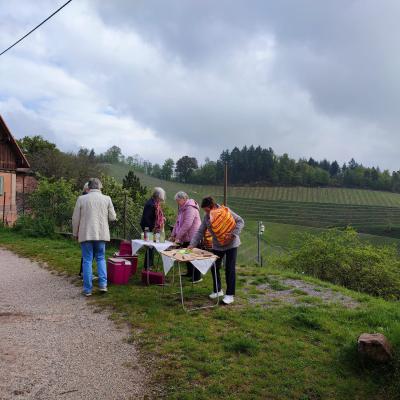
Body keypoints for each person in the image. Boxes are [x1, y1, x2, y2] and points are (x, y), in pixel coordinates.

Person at [189, 196, 244, 305]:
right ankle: (218, 290)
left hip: (232, 244)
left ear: (213, 206)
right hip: (217, 246)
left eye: (207, 210)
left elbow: (240, 221)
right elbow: (200, 231)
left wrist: (233, 234)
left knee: (229, 268)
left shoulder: (225, 211)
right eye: (204, 210)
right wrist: (192, 245)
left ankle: (229, 295)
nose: (206, 212)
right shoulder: (206, 217)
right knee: (214, 267)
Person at [72, 178, 117, 297]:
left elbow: (75, 219)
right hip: (101, 234)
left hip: (86, 233)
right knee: (101, 258)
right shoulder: (107, 199)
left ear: (89, 187)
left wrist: (75, 233)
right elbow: (113, 217)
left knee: (87, 260)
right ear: (100, 187)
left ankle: (87, 290)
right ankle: (103, 285)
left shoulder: (81, 199)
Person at [170, 191, 202, 283]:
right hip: (186, 236)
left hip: (193, 235)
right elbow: (177, 223)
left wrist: (178, 237)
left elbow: (187, 224)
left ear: (184, 199)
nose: (177, 202)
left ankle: (197, 277)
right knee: (187, 254)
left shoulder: (190, 208)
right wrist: (172, 235)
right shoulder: (182, 208)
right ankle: (190, 273)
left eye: (178, 200)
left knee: (194, 256)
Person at [140, 187, 166, 269]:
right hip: (148, 228)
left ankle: (150, 264)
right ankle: (147, 265)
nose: (162, 199)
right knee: (149, 246)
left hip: (152, 228)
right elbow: (146, 218)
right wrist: (151, 231)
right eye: (161, 197)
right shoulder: (150, 204)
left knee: (152, 246)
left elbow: (156, 216)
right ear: (158, 196)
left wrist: (162, 218)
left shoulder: (154, 203)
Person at [78, 182, 91, 278]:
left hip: (85, 229)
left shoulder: (83, 198)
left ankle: (82, 272)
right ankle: (84, 273)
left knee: (86, 254)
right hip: (86, 229)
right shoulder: (84, 199)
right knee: (87, 255)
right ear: (87, 189)